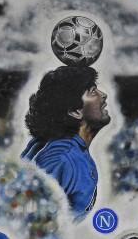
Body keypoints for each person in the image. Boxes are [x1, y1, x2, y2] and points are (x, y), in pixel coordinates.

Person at [21, 65, 110, 220]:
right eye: (93, 92)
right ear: (75, 111)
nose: (103, 95)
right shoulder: (61, 159)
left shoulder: (68, 150)